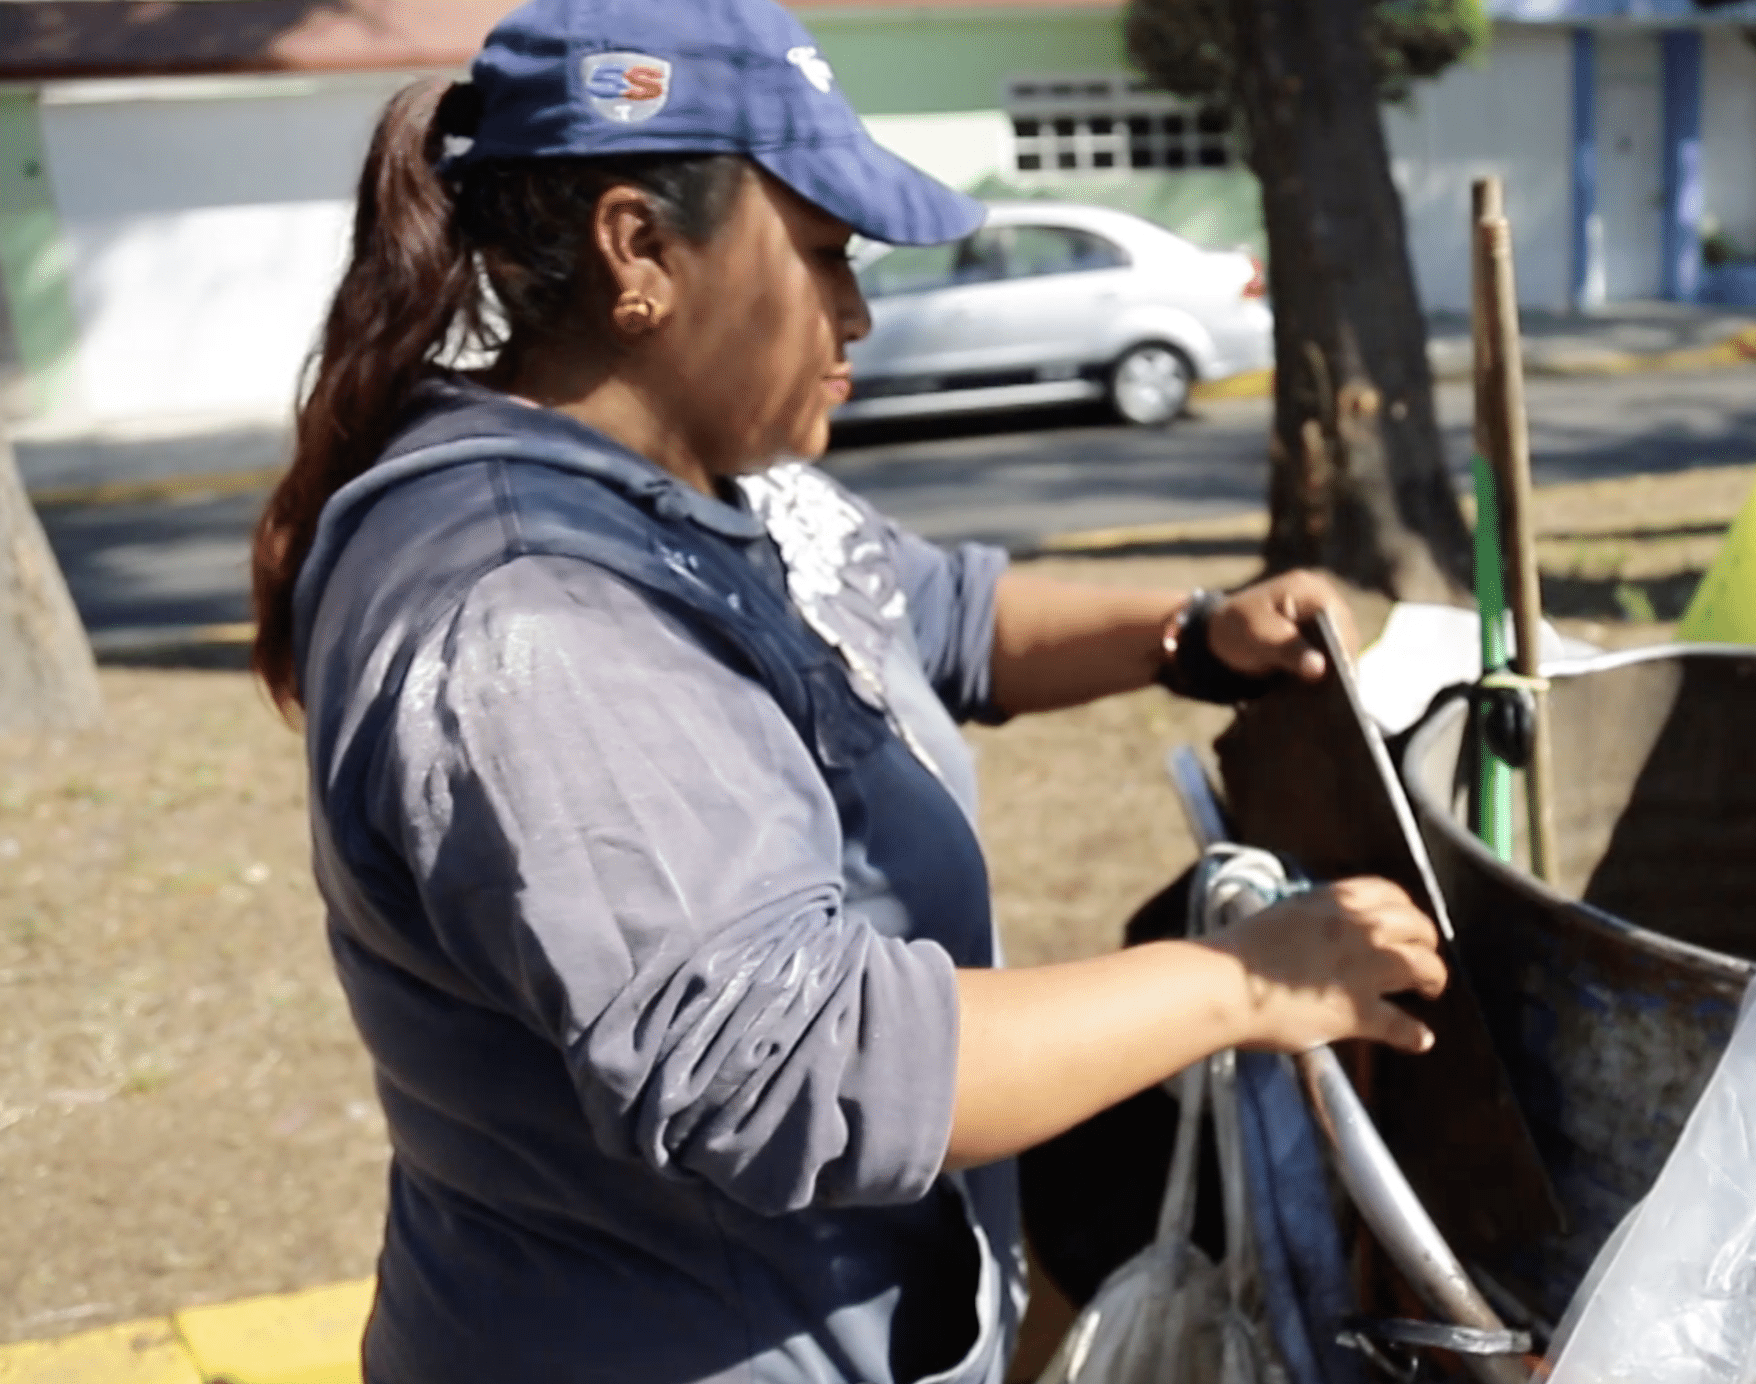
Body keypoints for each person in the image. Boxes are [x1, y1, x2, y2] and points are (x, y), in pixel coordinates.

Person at [247, 2, 1448, 1380]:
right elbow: (793, 1067)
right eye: (824, 257)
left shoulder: (704, 479)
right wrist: (1245, 981)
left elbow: (930, 614)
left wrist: (1190, 634)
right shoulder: (543, 611)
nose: (860, 311)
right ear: (640, 248)